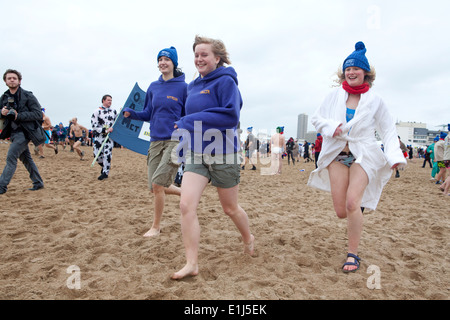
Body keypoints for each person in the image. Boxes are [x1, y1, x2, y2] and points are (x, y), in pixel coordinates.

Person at [307, 42, 406, 273]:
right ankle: (355, 212)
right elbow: (316, 118)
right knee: (342, 211)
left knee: (352, 202)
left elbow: (388, 130)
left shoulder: (375, 100)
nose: (351, 73)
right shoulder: (334, 95)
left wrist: (394, 156)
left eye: (356, 69)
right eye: (348, 69)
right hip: (337, 155)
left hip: (364, 154)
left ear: (365, 73)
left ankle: (353, 254)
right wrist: (333, 126)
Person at [171, 35, 254, 280]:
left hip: (224, 153)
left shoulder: (226, 82)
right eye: (196, 55)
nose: (199, 59)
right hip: (197, 153)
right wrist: (183, 133)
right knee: (186, 205)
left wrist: (189, 120)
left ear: (217, 58)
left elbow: (230, 117)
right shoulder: (192, 86)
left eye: (204, 54)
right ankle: (191, 263)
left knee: (229, 208)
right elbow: (189, 119)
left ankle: (248, 238)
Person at [123, 46, 187, 237]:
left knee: (159, 185)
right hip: (155, 141)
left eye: (166, 59)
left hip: (175, 141)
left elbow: (189, 114)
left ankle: (156, 227)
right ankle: (186, 193)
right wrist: (131, 114)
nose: (162, 63)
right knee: (154, 186)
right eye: (160, 59)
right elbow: (148, 113)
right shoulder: (153, 87)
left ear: (174, 63)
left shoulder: (184, 87)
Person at [0, 69, 46, 194]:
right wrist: (2, 112)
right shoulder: (4, 97)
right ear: (5, 81)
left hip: (25, 132)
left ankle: (1, 186)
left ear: (19, 81)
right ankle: (38, 182)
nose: (12, 80)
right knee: (26, 159)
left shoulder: (28, 95)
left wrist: (18, 115)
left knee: (11, 157)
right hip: (13, 133)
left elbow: (38, 114)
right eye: (9, 78)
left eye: (14, 78)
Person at [91, 95, 117, 180]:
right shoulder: (97, 111)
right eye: (108, 100)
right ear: (103, 100)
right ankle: (104, 166)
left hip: (109, 138)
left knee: (107, 154)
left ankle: (106, 172)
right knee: (97, 155)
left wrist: (113, 129)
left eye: (111, 100)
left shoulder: (114, 111)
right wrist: (104, 130)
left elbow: (117, 122)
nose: (110, 102)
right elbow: (94, 126)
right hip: (99, 137)